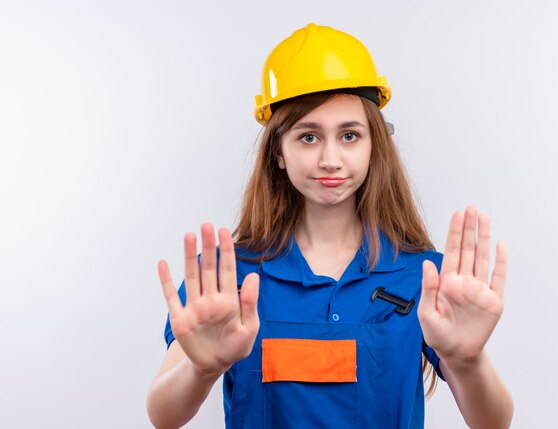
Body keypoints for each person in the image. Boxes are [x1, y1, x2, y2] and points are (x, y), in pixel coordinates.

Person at [146, 23, 513, 429]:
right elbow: (163, 416)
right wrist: (202, 369)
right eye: (308, 137)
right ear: (279, 153)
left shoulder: (425, 276)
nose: (330, 159)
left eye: (350, 136)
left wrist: (467, 360)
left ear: (375, 146)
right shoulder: (226, 276)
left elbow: (493, 422)